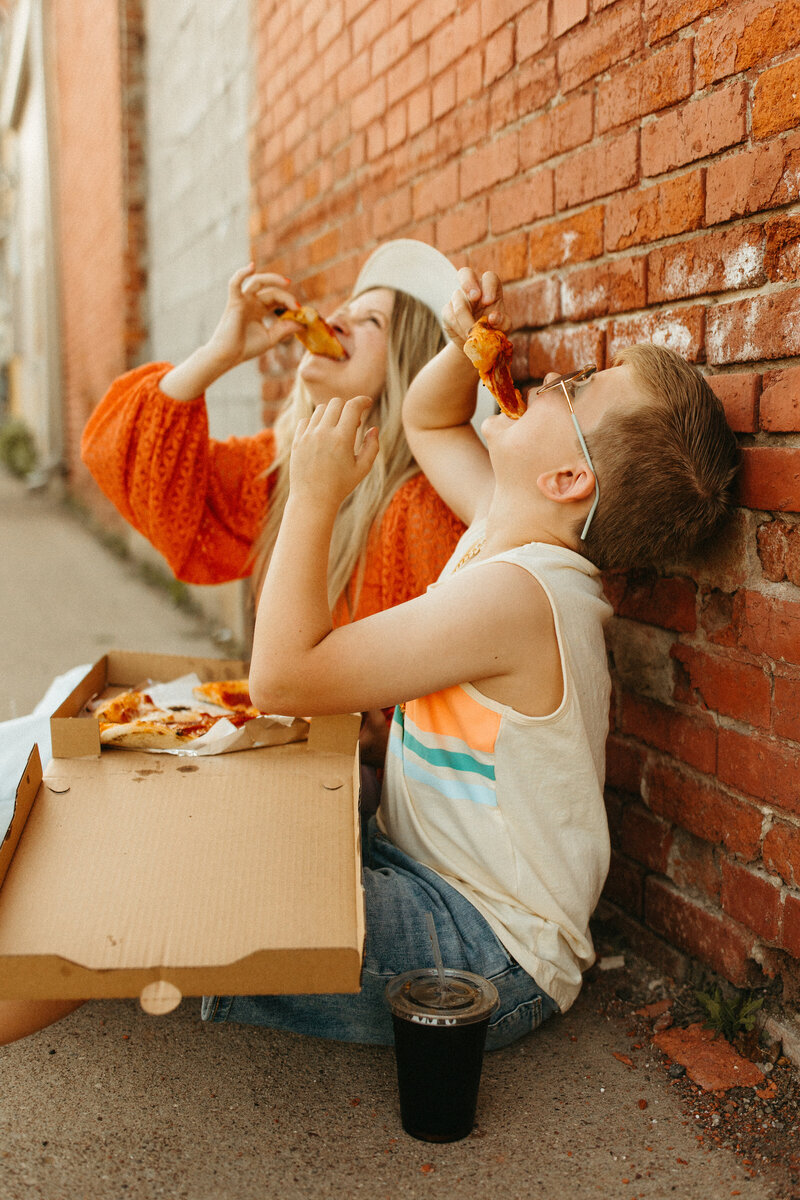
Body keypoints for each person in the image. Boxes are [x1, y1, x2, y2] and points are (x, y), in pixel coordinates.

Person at [0, 268, 739, 1049]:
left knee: (161, 883)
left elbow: (284, 677)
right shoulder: (505, 527)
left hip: (483, 951)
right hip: (418, 871)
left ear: (567, 478)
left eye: (582, 388)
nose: (556, 376)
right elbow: (427, 421)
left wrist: (315, 496)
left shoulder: (520, 597)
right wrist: (464, 346)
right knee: (173, 811)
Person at [80, 239, 488, 795]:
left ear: (408, 367)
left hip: (360, 802)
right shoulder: (276, 476)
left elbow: (449, 717)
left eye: (368, 320)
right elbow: (124, 463)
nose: (333, 318)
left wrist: (369, 727)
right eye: (343, 306)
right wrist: (220, 352)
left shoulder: (420, 513)